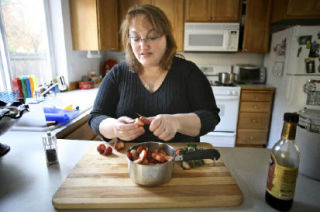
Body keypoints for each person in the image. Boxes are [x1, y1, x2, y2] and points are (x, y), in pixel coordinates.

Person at [88, 4, 220, 143]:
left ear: (166, 38)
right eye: (136, 38)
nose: (143, 45)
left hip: (180, 159)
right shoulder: (117, 74)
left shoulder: (189, 72)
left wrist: (177, 122)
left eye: (152, 36)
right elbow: (96, 117)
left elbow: (210, 117)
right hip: (129, 162)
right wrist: (115, 128)